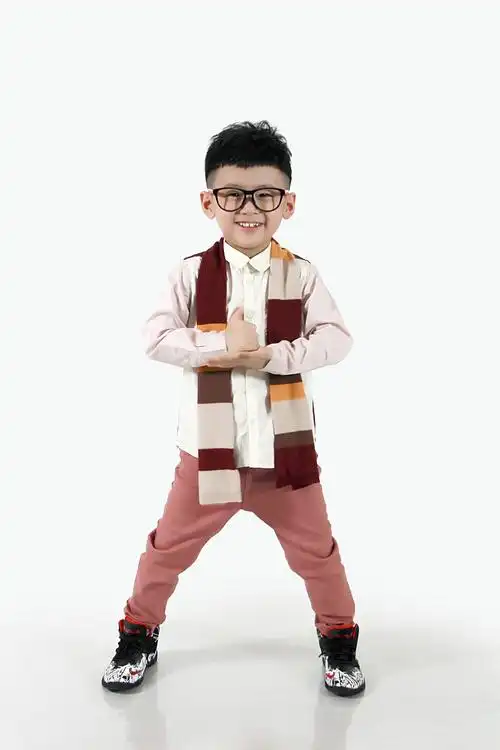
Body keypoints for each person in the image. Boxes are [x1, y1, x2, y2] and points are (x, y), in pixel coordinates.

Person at [101, 120, 366, 698]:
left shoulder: (302, 274)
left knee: (318, 554)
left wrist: (270, 355)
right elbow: (155, 338)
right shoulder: (189, 273)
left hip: (284, 455)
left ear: (287, 203)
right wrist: (223, 343)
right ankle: (138, 633)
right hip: (207, 455)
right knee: (166, 549)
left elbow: (336, 339)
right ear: (208, 202)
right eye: (233, 195)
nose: (249, 209)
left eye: (265, 195)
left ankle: (339, 640)